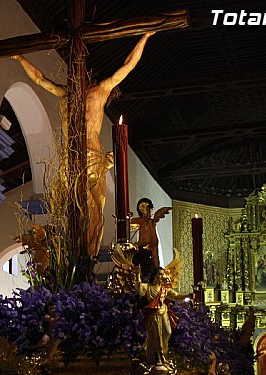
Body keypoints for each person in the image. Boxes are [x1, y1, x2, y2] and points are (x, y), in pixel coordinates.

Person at [12, 32, 155, 259]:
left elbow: (127, 66)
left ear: (88, 75)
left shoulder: (99, 91)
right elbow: (39, 79)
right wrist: (20, 58)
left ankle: (89, 256)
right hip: (69, 160)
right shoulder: (64, 94)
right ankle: (73, 257)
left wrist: (145, 37)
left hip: (92, 157)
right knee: (71, 211)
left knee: (95, 210)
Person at [130, 198, 172, 267]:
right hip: (145, 248)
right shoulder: (141, 221)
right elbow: (127, 224)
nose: (149, 212)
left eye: (150, 209)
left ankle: (156, 269)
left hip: (149, 247)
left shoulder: (150, 222)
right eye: (148, 209)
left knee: (154, 258)